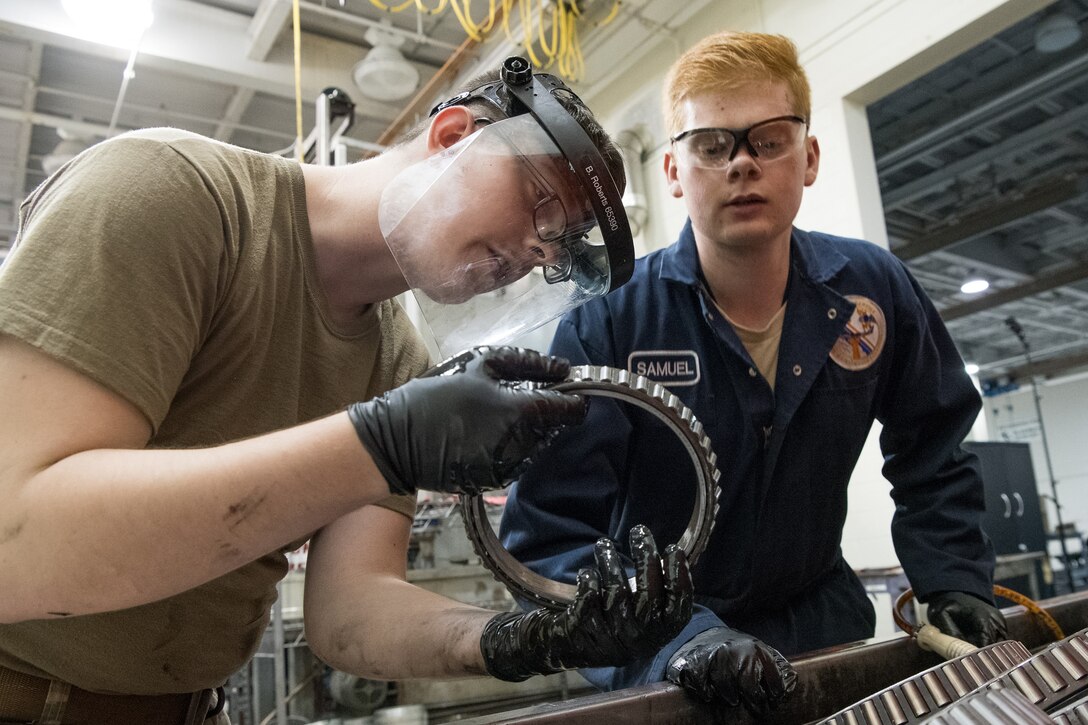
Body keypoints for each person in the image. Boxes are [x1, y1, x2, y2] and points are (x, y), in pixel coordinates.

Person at [0, 57, 695, 725]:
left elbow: (350, 611)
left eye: (556, 247)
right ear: (454, 134)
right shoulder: (174, 194)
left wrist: (527, 636)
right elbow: (15, 543)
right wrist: (377, 443)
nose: (536, 249)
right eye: (539, 203)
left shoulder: (400, 359)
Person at [500, 31, 1007, 718]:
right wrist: (680, 641)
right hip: (667, 666)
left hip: (823, 636)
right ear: (674, 171)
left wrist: (956, 581)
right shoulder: (610, 321)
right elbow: (550, 538)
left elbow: (936, 451)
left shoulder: (872, 291)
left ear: (809, 158)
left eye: (768, 139)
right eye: (711, 144)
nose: (741, 163)